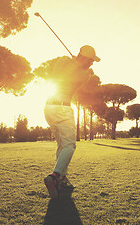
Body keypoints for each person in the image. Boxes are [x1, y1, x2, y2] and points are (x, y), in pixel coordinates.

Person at [44, 45, 100, 199]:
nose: (92, 64)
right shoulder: (85, 75)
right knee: (70, 145)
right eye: (91, 60)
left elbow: (65, 68)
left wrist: (77, 64)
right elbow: (80, 74)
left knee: (62, 146)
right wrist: (84, 69)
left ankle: (62, 179)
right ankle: (55, 176)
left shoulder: (63, 61)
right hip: (63, 108)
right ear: (84, 57)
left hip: (48, 108)